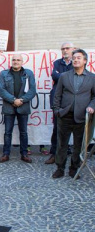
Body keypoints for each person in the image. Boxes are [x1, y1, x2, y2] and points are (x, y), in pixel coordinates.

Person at [52, 49, 95, 179]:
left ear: (85, 61)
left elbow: (94, 96)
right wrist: (57, 110)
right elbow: (57, 94)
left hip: (82, 117)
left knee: (78, 145)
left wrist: (91, 106)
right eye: (74, 58)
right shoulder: (64, 76)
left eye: (79, 58)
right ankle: (60, 168)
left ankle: (74, 168)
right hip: (64, 115)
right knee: (61, 144)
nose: (75, 60)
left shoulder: (92, 78)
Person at [0, 54, 37, 164]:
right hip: (8, 107)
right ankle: (6, 154)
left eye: (18, 60)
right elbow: (2, 90)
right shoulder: (4, 74)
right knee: (7, 132)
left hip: (23, 107)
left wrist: (21, 100)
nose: (16, 62)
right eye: (14, 60)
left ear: (22, 61)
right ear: (11, 61)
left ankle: (24, 154)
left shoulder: (28, 73)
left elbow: (32, 90)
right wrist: (13, 100)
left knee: (23, 132)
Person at [45, 42, 74, 164]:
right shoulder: (57, 62)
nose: (65, 50)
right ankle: (54, 153)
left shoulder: (77, 62)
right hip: (58, 101)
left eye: (67, 48)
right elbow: (54, 76)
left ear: (73, 49)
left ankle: (72, 155)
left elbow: (74, 77)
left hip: (72, 101)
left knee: (75, 128)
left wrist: (62, 75)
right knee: (57, 128)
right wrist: (67, 75)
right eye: (63, 49)